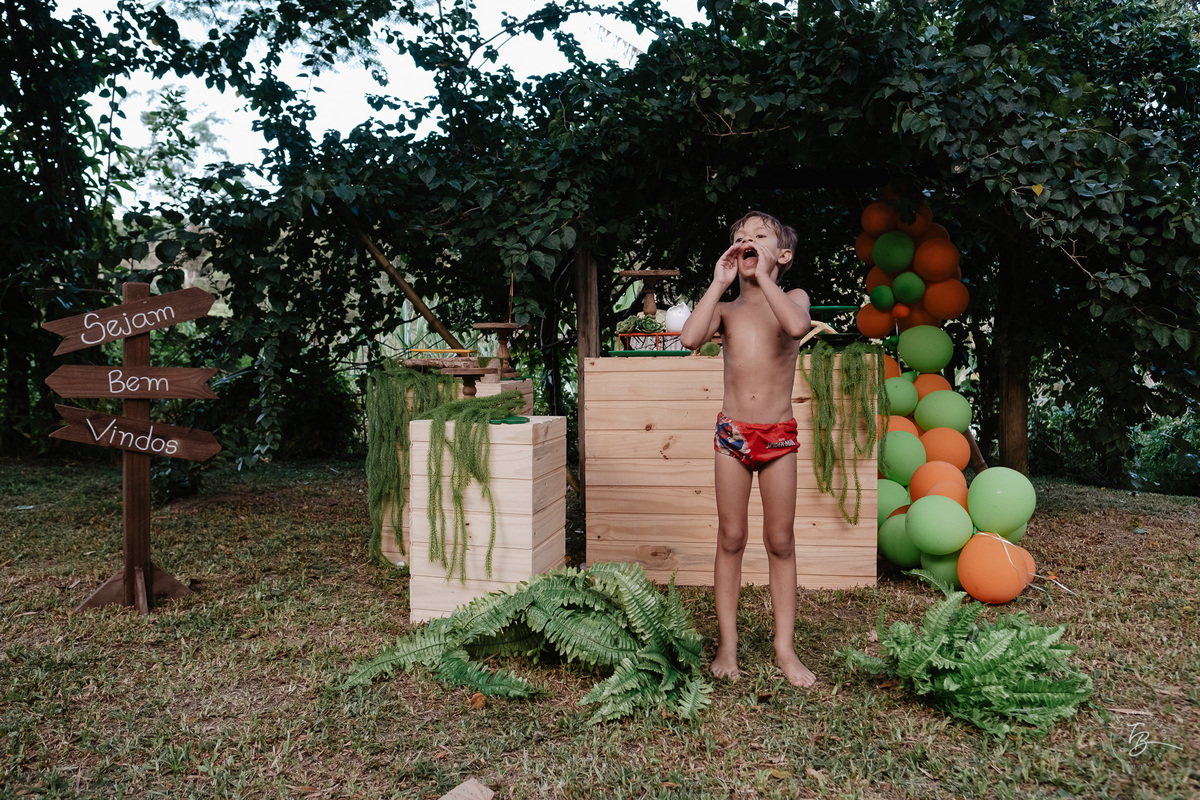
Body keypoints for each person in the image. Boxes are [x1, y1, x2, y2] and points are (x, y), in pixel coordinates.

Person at [678, 210, 816, 688]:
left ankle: (784, 647)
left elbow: (797, 327)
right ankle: (728, 643)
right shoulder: (727, 310)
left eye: (759, 236)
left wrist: (762, 278)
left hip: (777, 437)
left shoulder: (792, 297)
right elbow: (690, 339)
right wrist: (720, 283)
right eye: (739, 237)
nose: (746, 240)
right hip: (732, 436)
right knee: (731, 537)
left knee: (780, 541)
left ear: (783, 254)